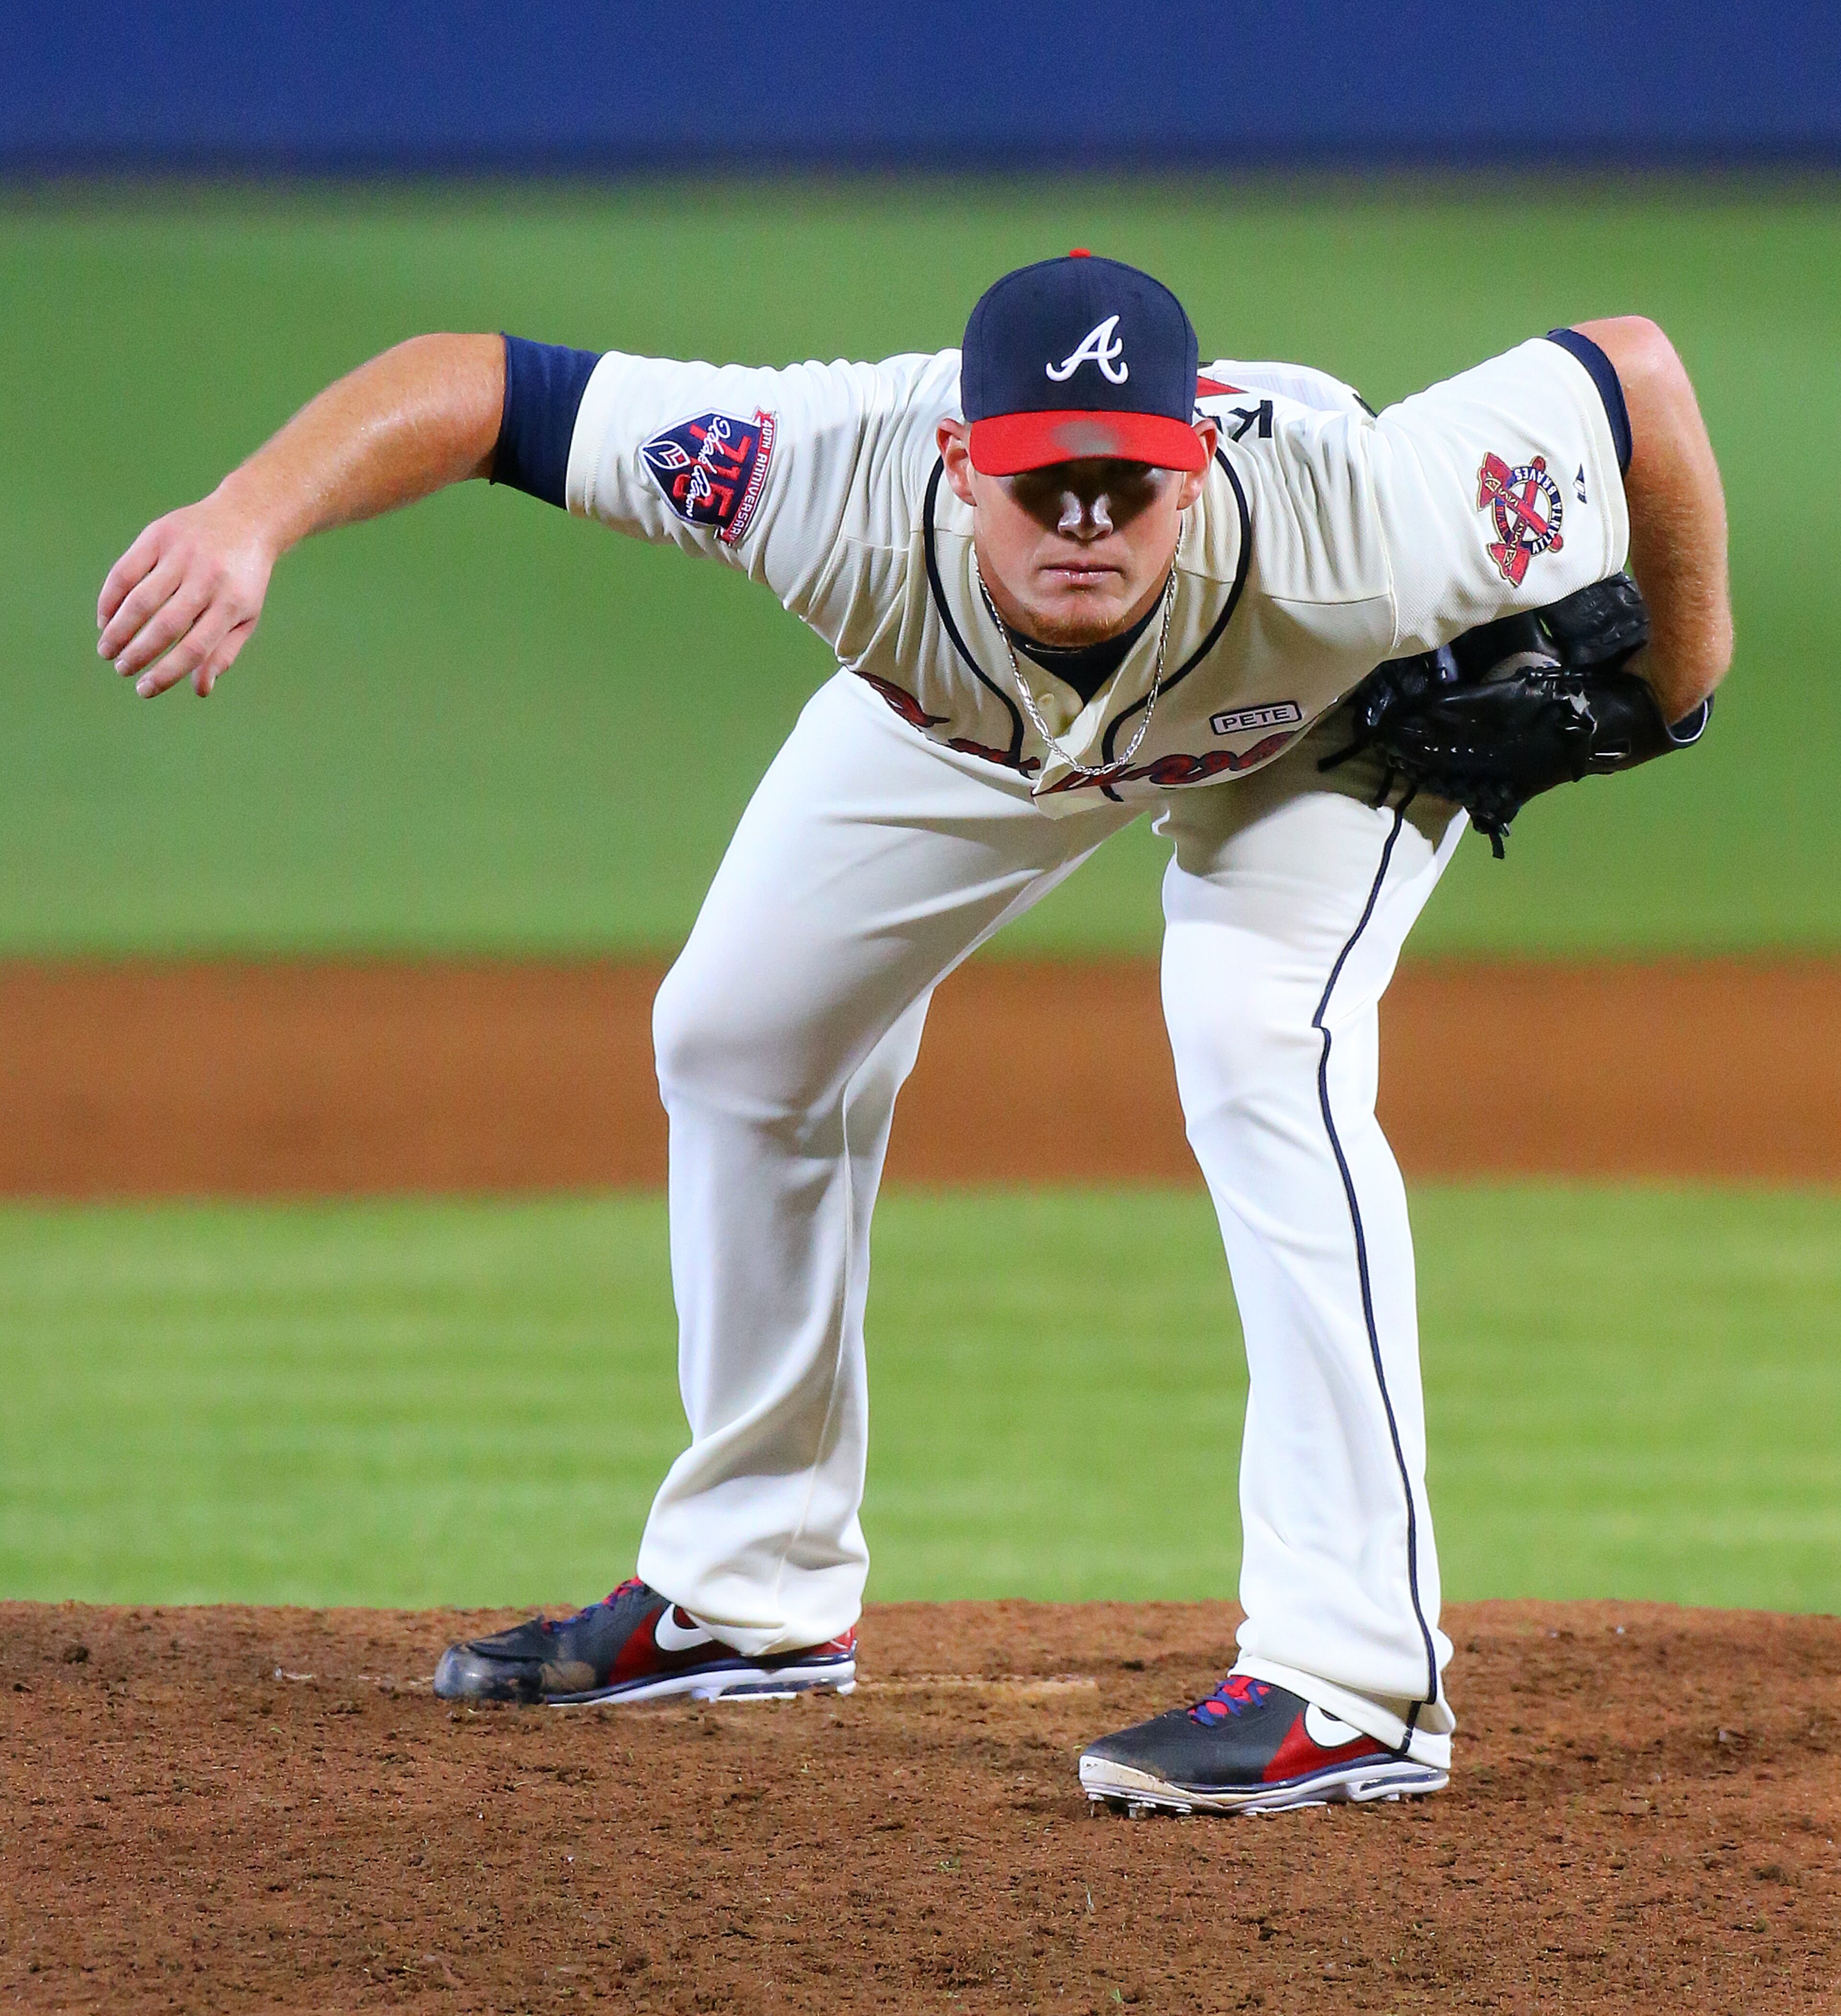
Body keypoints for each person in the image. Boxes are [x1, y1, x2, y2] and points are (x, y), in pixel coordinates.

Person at [96, 252, 1730, 1816]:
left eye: (1124, 482)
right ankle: (757, 1592)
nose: (1084, 522)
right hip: (957, 724)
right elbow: (483, 391)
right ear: (959, 461)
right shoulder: (813, 474)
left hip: (1305, 721)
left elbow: (1634, 378)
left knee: (1258, 1044)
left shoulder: (1359, 519)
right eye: (1041, 483)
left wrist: (1673, 691)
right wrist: (250, 518)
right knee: (738, 1034)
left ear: (1195, 468)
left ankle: (1358, 1680)